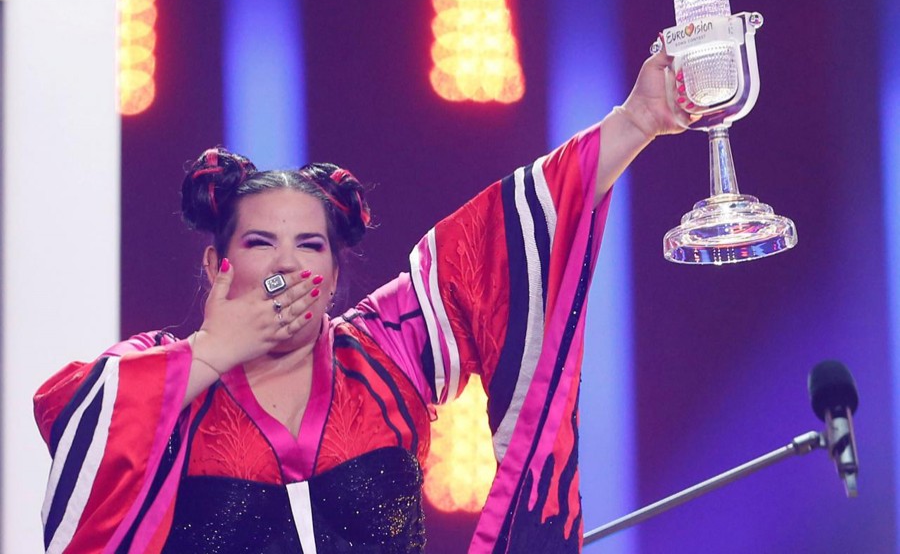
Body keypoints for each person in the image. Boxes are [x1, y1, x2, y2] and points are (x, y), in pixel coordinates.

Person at [34, 49, 694, 553]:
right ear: (216, 263)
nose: (288, 265)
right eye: (262, 243)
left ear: (334, 268)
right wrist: (214, 351)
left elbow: (493, 242)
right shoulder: (155, 375)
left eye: (310, 246)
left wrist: (636, 122)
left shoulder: (382, 353)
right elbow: (72, 416)